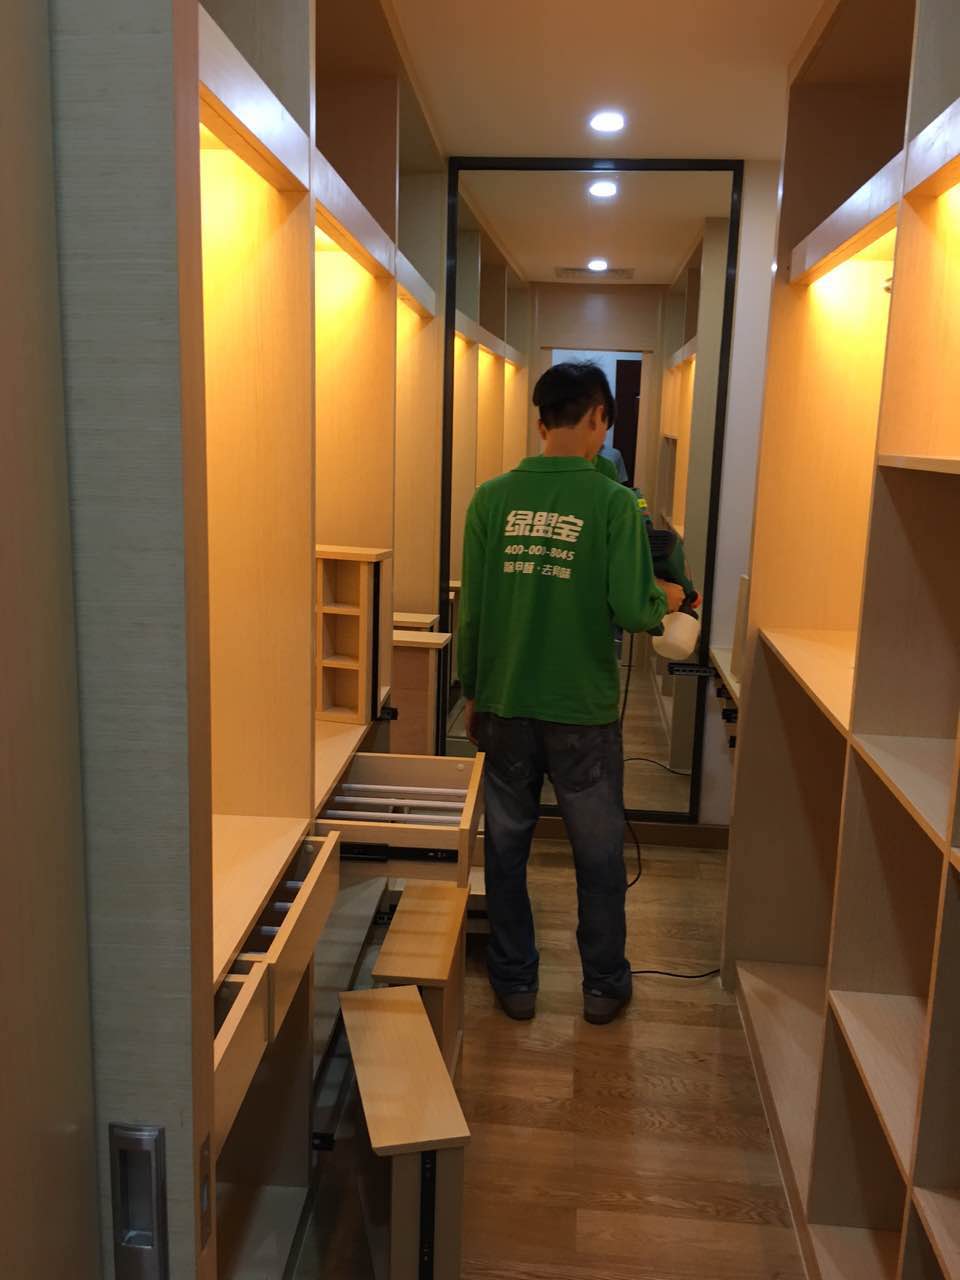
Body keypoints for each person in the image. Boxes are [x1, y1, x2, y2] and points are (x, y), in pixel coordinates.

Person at [458, 361, 684, 1025]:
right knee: (598, 854)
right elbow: (635, 610)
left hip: (504, 703)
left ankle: (515, 981)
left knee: (505, 849)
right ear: (598, 418)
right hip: (582, 712)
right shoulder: (613, 503)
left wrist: (473, 692)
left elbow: (474, 613)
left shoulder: (490, 500)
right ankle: (603, 986)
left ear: (540, 422)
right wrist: (666, 599)